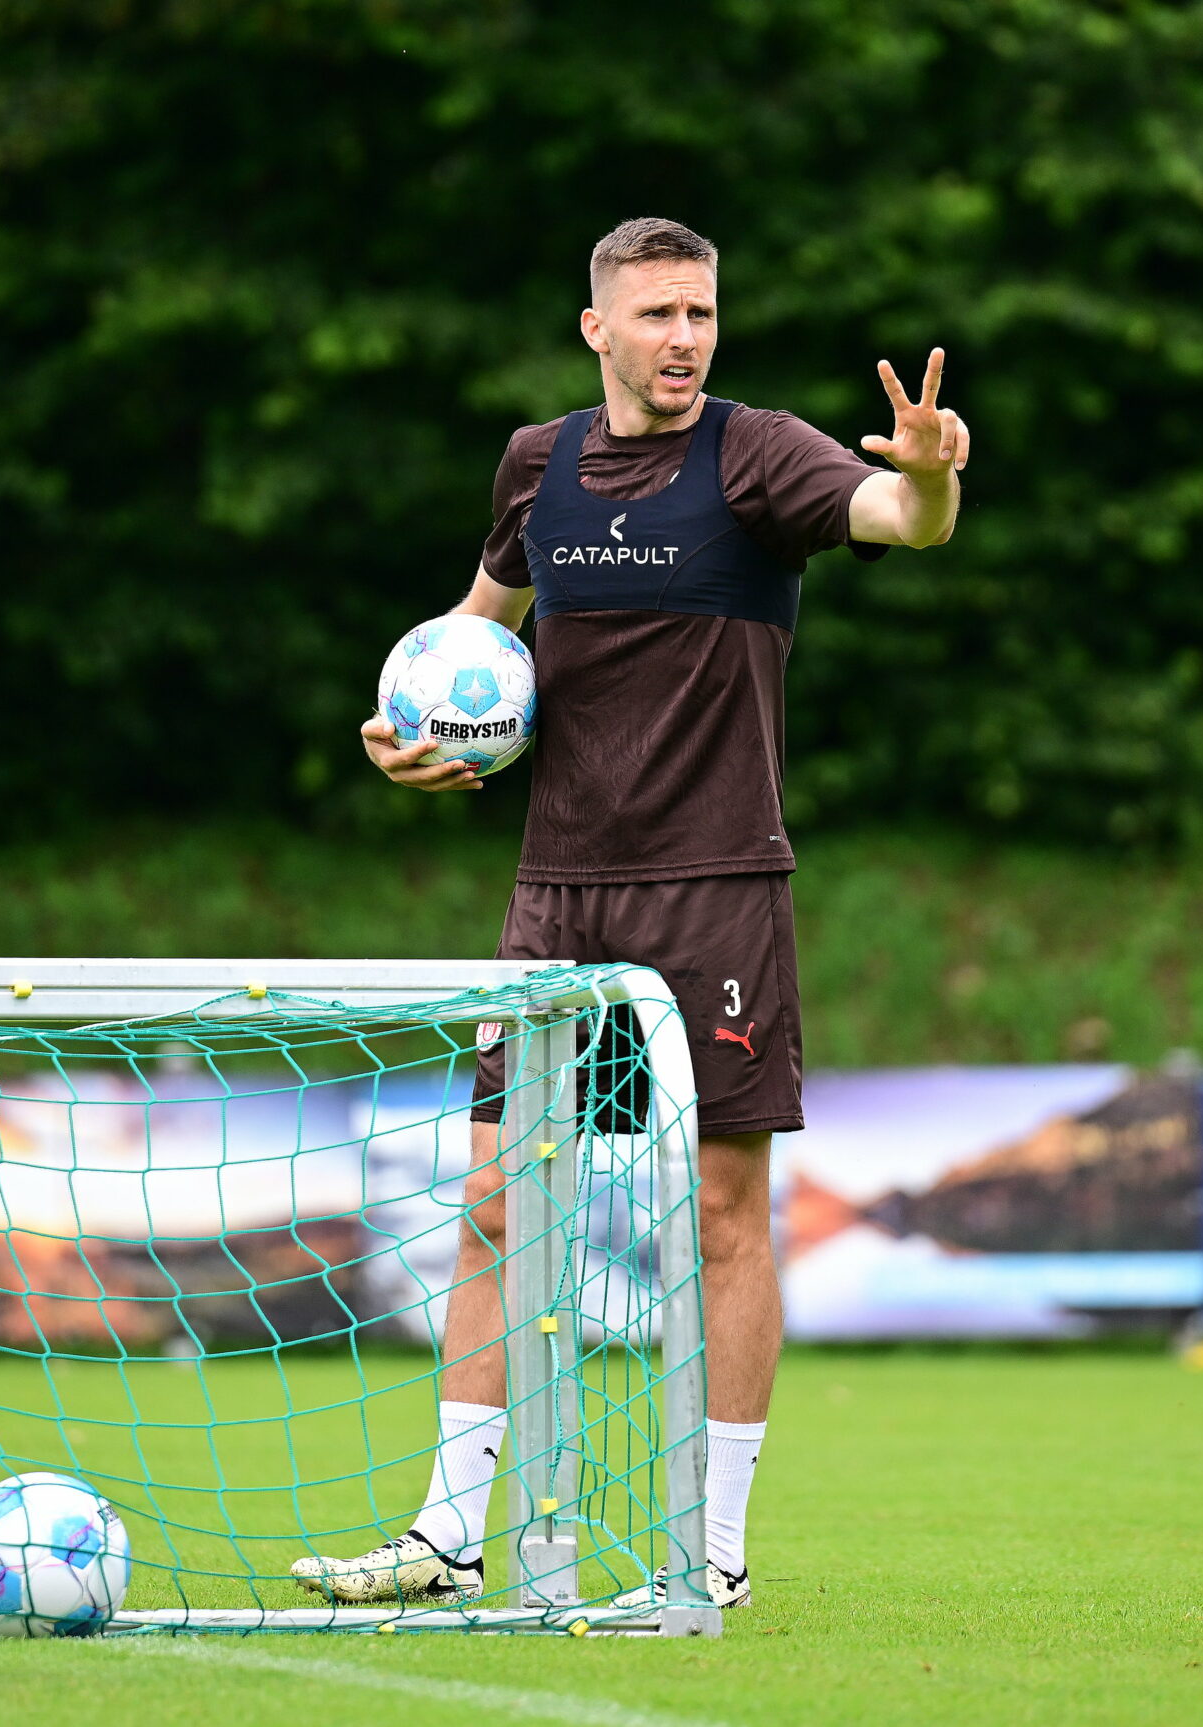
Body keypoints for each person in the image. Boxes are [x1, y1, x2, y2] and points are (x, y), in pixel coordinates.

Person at [297, 217, 968, 1612]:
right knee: (491, 1205)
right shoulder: (536, 465)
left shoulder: (758, 453)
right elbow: (472, 641)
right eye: (658, 313)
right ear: (596, 326)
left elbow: (898, 519)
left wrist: (926, 478)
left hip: (716, 890)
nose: (684, 338)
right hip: (556, 897)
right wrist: (411, 731)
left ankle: (711, 1549)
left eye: (703, 313)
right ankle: (445, 1537)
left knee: (722, 1214)